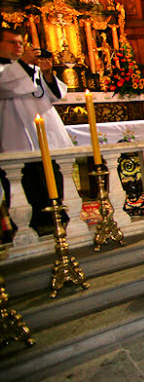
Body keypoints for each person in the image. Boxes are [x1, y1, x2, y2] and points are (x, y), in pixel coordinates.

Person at [0, 27, 71, 235]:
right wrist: (24, 64)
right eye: (13, 42)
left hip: (46, 132)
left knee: (54, 178)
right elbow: (7, 87)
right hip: (16, 135)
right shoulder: (10, 69)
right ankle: (31, 225)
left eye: (21, 43)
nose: (19, 46)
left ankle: (60, 218)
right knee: (27, 181)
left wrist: (48, 74)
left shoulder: (31, 68)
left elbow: (52, 95)